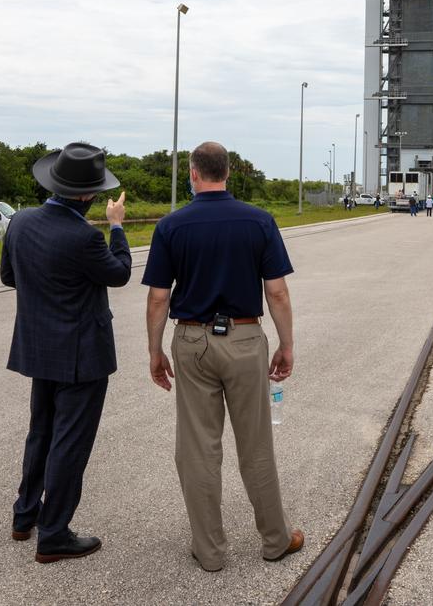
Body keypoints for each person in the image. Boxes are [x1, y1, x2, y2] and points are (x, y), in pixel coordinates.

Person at [143, 142, 303, 573]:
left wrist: (155, 351)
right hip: (247, 338)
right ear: (227, 173)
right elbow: (277, 292)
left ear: (194, 174)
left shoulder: (171, 226)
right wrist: (286, 345)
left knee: (197, 449)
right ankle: (275, 540)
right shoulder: (259, 221)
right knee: (255, 446)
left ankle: (210, 551)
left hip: (192, 341)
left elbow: (159, 299)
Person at [1, 142, 132, 563]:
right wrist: (117, 227)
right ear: (87, 195)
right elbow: (121, 274)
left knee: (41, 430)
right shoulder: (85, 236)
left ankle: (26, 515)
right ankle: (54, 534)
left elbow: (9, 276)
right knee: (70, 443)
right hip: (82, 354)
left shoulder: (20, 222)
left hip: (40, 348)